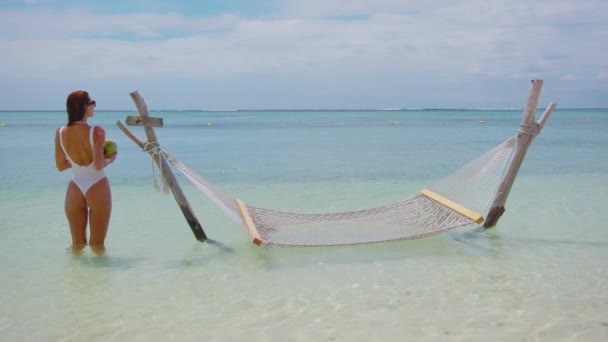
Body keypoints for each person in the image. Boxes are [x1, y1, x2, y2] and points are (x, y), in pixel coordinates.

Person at [54, 90, 117, 253]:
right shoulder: (97, 131)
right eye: (92, 103)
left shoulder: (60, 132)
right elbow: (98, 165)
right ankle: (98, 278)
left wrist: (76, 162)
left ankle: (76, 277)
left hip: (75, 187)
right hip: (97, 185)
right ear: (84, 107)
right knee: (97, 246)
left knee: (77, 245)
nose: (94, 106)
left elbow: (60, 166)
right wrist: (110, 158)